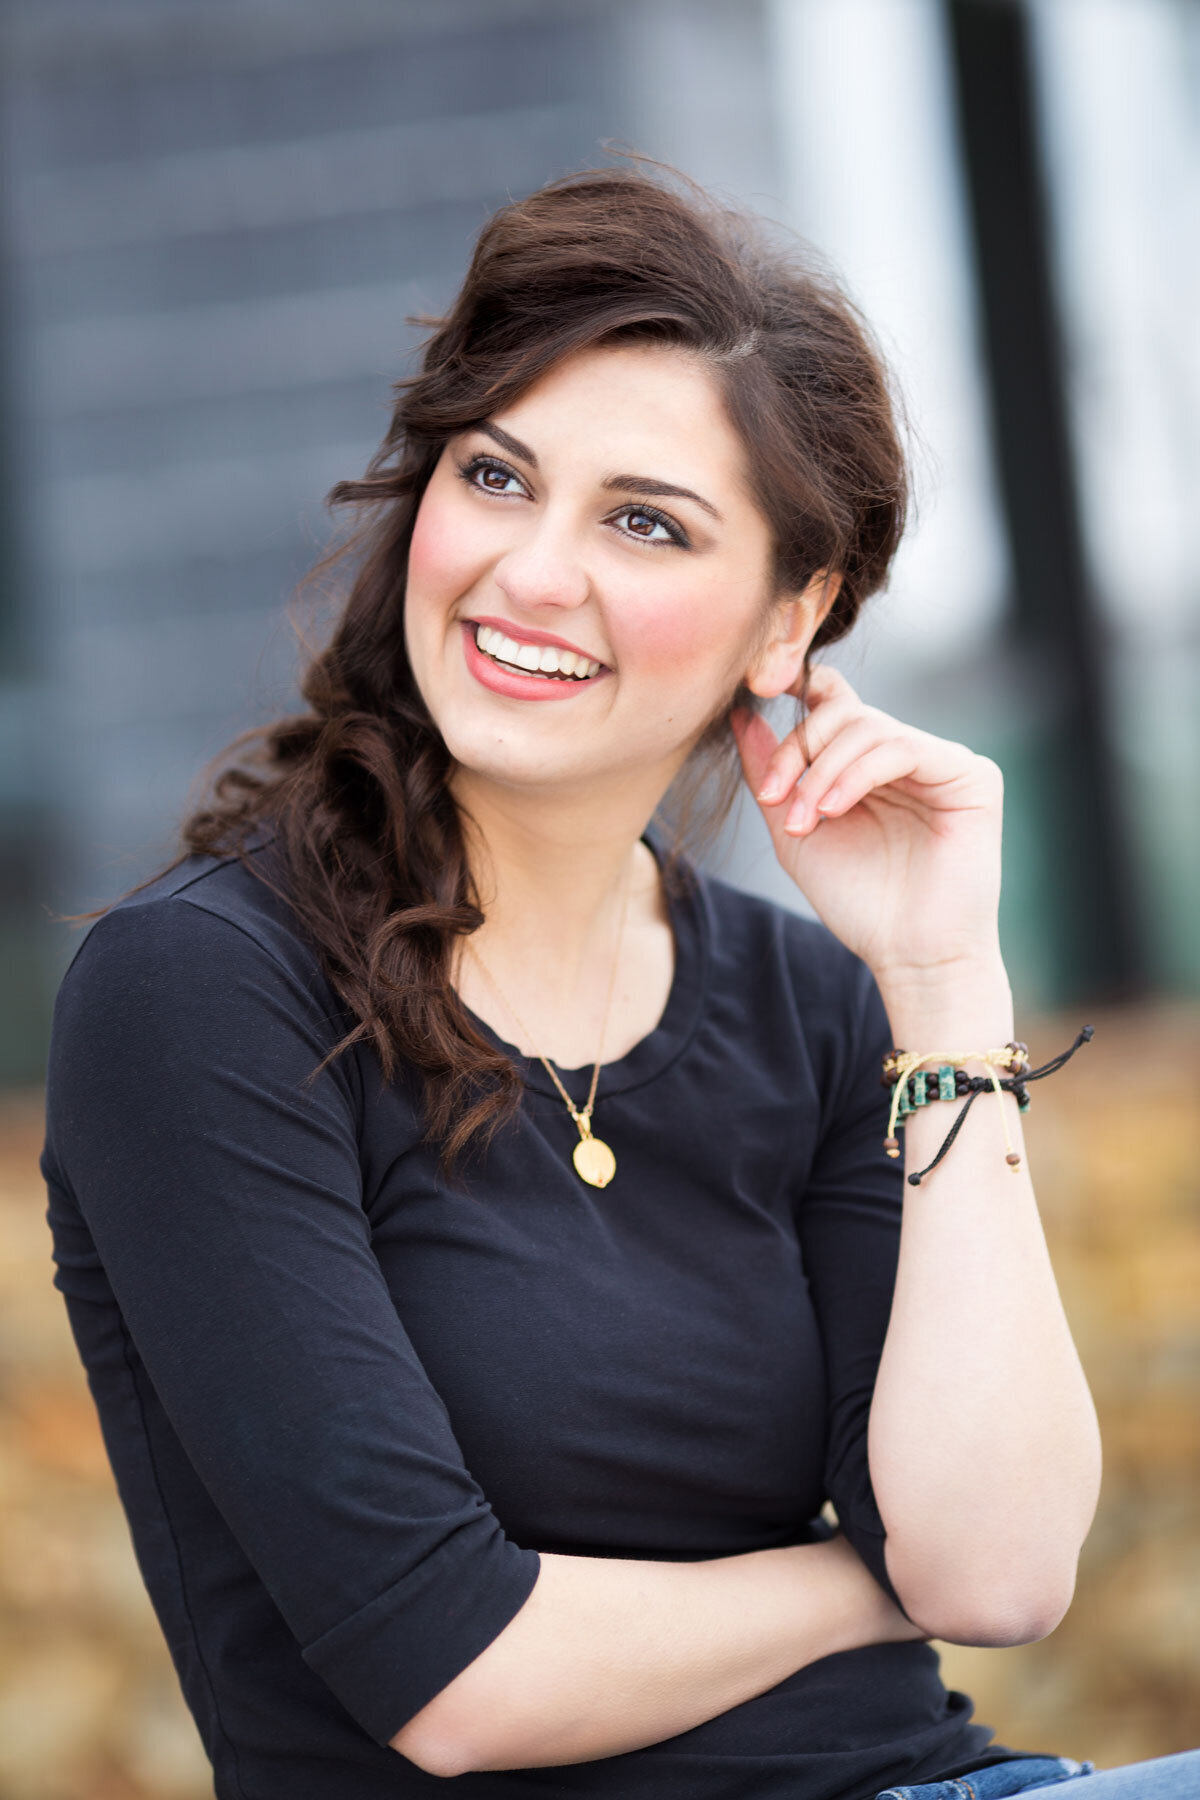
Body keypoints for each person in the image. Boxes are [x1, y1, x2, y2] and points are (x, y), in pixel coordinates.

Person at [38, 164, 1198, 1800]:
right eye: (498, 476)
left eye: (643, 522)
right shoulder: (206, 994)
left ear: (792, 619)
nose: (530, 574)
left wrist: (943, 983)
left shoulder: (814, 1003)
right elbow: (454, 1675)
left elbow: (1001, 1573)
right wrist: (859, 1583)